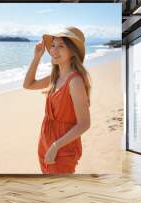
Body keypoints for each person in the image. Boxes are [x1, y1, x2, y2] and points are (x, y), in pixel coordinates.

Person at [23, 26, 91, 174]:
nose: (54, 50)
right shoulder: (56, 77)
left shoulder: (75, 81)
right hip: (46, 141)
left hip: (62, 146)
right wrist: (37, 57)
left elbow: (85, 124)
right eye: (53, 45)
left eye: (61, 46)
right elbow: (27, 84)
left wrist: (55, 146)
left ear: (72, 52)